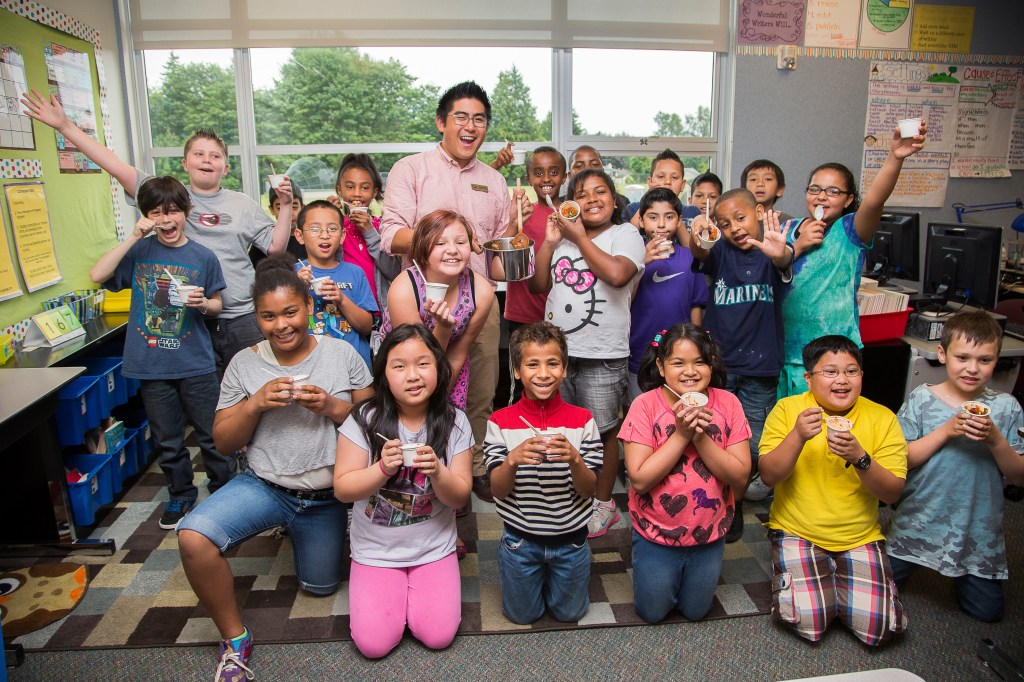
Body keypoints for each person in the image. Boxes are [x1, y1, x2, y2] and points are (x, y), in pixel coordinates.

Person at [176, 255, 373, 681]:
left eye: (290, 312)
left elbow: (376, 424)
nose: (281, 325)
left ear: (309, 307)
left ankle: (313, 529)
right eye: (268, 317)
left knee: (319, 586)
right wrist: (255, 405)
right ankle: (235, 639)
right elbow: (223, 442)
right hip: (265, 485)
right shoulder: (244, 364)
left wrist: (333, 407)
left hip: (326, 496)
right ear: (257, 318)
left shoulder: (341, 354)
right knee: (192, 537)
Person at [22, 90, 295, 372]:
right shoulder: (169, 198)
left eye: (215, 156)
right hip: (186, 320)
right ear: (185, 163)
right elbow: (115, 166)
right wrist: (65, 126)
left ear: (225, 167)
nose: (206, 160)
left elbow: (274, 247)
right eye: (198, 154)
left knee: (254, 384)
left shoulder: (243, 203)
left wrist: (286, 204)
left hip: (241, 316)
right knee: (204, 391)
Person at [379, 81, 528, 505]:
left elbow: (495, 256)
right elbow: (390, 235)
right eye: (461, 117)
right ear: (441, 122)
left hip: (479, 301)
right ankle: (416, 463)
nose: (470, 126)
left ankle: (473, 465)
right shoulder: (411, 169)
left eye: (479, 119)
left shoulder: (494, 180)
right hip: (422, 298)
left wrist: (515, 232)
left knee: (480, 388)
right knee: (419, 385)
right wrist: (445, 240)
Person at [89, 176, 230, 530]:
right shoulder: (139, 252)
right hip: (151, 364)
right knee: (167, 439)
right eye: (156, 212)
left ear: (187, 212)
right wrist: (133, 237)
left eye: (173, 211)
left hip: (196, 363)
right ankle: (181, 493)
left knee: (212, 433)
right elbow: (98, 273)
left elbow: (218, 304)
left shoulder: (203, 256)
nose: (166, 219)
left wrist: (203, 303)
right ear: (146, 216)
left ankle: (224, 489)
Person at [759, 335, 908, 646]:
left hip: (859, 535)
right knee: (811, 625)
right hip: (798, 530)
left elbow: (892, 494)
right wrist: (798, 436)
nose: (842, 380)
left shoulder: (883, 418)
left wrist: (860, 458)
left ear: (862, 376)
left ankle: (833, 582)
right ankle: (817, 582)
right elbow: (769, 476)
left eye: (851, 371)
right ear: (808, 378)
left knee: (878, 631)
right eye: (830, 372)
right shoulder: (788, 410)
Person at [334, 323, 473, 658]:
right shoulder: (364, 418)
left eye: (423, 364)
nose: (413, 376)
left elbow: (460, 497)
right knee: (373, 646)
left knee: (438, 636)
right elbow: (343, 489)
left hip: (433, 547)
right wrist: (382, 469)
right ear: (384, 373)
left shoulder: (455, 421)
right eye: (399, 366)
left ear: (439, 367)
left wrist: (438, 471)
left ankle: (423, 588)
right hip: (375, 551)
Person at [529, 168, 645, 538]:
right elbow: (537, 286)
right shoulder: (562, 239)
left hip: (603, 353)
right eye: (582, 193)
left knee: (603, 431)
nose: (592, 199)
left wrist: (578, 237)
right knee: (562, 428)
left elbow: (617, 274)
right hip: (559, 354)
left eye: (600, 191)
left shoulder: (625, 234)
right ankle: (570, 495)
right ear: (571, 203)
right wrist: (550, 243)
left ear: (614, 199)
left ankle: (603, 503)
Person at [887, 311, 1024, 622]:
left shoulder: (1007, 407)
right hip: (920, 516)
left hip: (975, 525)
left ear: (997, 360)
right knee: (880, 587)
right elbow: (902, 459)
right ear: (942, 354)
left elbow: (1018, 475)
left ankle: (961, 566)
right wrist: (946, 431)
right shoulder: (922, 399)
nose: (972, 368)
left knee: (987, 613)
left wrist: (995, 440)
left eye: (985, 360)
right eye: (962, 357)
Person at [779, 123, 927, 398]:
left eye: (833, 191)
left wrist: (895, 157)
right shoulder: (787, 228)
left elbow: (874, 201)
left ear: (848, 200)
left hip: (832, 358)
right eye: (814, 189)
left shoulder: (850, 231)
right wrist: (796, 246)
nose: (821, 196)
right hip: (784, 351)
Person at [620, 324, 751, 623]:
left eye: (700, 362)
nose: (690, 371)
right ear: (661, 367)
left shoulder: (728, 403)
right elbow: (640, 479)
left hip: (709, 532)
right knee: (652, 613)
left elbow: (740, 476)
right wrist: (681, 435)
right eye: (678, 363)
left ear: (711, 364)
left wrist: (701, 437)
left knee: (696, 612)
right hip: (656, 534)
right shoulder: (644, 405)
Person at [690, 188, 794, 537]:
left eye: (740, 218)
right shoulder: (720, 251)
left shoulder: (772, 248)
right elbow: (700, 251)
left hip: (761, 369)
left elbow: (784, 259)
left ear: (759, 213)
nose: (734, 228)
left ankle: (734, 501)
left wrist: (782, 255)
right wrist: (700, 236)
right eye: (724, 223)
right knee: (714, 435)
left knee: (750, 443)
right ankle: (717, 499)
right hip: (720, 365)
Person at [484, 322, 602, 624]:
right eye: (532, 364)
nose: (544, 373)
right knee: (522, 615)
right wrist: (512, 460)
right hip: (521, 541)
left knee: (570, 613)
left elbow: (589, 490)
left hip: (571, 541)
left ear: (564, 369)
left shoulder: (583, 420)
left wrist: (575, 459)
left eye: (552, 363)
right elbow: (497, 490)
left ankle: (556, 581)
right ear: (516, 371)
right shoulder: (500, 422)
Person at [381, 209, 494, 411]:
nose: (452, 250)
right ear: (423, 249)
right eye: (440, 243)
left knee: (445, 422)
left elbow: (458, 353)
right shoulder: (404, 289)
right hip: (405, 370)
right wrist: (444, 328)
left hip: (450, 371)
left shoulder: (481, 292)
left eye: (461, 242)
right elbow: (418, 356)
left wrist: (438, 399)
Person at [628, 187, 708, 402]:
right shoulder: (632, 257)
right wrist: (641, 262)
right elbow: (624, 301)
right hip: (639, 351)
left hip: (681, 356)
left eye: (669, 217)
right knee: (640, 411)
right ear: (641, 221)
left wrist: (698, 346)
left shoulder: (690, 257)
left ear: (679, 220)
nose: (661, 224)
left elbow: (696, 306)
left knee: (680, 410)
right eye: (653, 217)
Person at [504, 146, 566, 404]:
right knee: (525, 391)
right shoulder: (521, 213)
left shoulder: (572, 214)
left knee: (557, 386)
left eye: (554, 172)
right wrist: (513, 222)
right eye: (538, 173)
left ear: (565, 176)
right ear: (529, 179)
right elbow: (501, 263)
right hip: (523, 315)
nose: (546, 178)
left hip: (563, 317)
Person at [293, 200, 377, 368]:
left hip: (353, 366)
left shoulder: (355, 273)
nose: (325, 235)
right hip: (310, 365)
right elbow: (284, 321)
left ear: (342, 236)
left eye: (332, 229)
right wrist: (296, 289)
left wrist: (341, 299)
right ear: (300, 236)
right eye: (315, 229)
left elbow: (366, 327)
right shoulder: (291, 274)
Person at [327, 153, 403, 307]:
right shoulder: (335, 226)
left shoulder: (382, 227)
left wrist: (369, 231)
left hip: (377, 311)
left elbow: (395, 271)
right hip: (343, 310)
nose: (357, 193)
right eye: (350, 187)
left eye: (365, 188)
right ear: (339, 191)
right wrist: (330, 218)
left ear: (374, 192)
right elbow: (324, 260)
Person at [624, 149, 688, 225]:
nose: (668, 181)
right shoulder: (632, 209)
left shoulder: (691, 211)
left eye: (674, 177)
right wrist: (647, 201)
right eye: (661, 176)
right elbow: (629, 232)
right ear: (650, 182)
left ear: (682, 185)